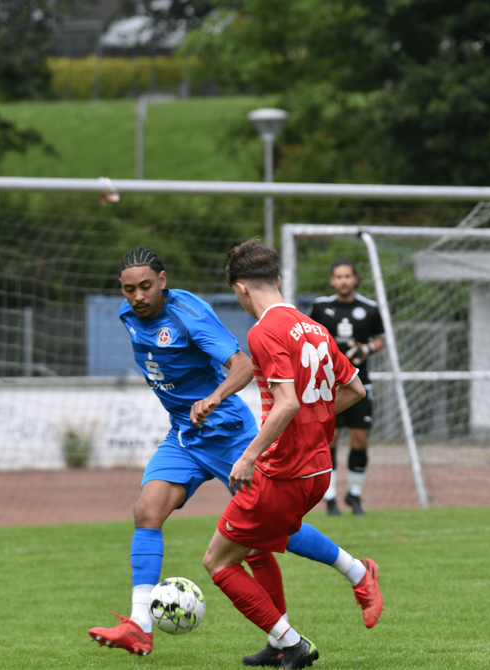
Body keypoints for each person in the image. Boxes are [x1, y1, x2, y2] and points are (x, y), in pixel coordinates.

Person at [89, 247, 383, 658]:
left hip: (228, 432)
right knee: (147, 512)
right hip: (185, 436)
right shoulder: (128, 317)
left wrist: (213, 399)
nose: (137, 297)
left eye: (145, 287)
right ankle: (140, 625)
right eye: (128, 290)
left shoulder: (191, 312)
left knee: (265, 535)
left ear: (163, 281)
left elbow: (242, 367)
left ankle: (339, 584)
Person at [203, 238, 374, 670]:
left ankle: (292, 643)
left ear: (241, 289)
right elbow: (354, 390)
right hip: (318, 471)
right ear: (277, 280)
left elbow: (287, 404)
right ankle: (290, 631)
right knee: (257, 547)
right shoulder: (313, 326)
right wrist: (315, 420)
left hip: (282, 470)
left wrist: (247, 457)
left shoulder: (263, 331)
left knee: (218, 563)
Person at [308, 258, 385, 516]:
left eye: (347, 276)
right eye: (338, 277)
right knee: (330, 440)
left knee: (360, 440)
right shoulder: (320, 307)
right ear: (332, 280)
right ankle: (328, 497)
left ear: (355, 279)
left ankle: (354, 495)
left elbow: (379, 340)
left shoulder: (370, 308)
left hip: (360, 386)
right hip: (328, 388)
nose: (343, 281)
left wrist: (366, 348)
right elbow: (308, 336)